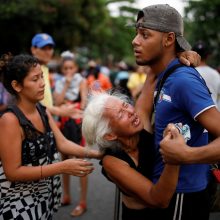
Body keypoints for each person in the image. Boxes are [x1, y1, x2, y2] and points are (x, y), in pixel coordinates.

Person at [82, 51, 201, 220]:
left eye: (125, 105)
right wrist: (174, 157)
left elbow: (153, 71)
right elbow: (158, 199)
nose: (130, 112)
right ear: (109, 135)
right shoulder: (112, 163)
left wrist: (180, 55)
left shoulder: (139, 122)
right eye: (120, 114)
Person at [132, 4, 215, 220]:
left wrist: (188, 155)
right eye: (136, 33)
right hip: (168, 192)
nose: (135, 41)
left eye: (144, 34)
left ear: (169, 39)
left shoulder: (182, 80)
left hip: (183, 197)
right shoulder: (165, 76)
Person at [0, 53, 101, 220]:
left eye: (42, 77)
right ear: (17, 86)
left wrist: (98, 154)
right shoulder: (10, 120)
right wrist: (61, 167)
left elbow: (62, 143)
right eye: (35, 79)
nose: (42, 83)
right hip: (18, 205)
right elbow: (13, 172)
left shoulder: (41, 110)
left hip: (45, 197)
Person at [53, 54, 89, 216]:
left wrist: (69, 106)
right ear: (62, 69)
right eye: (65, 68)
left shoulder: (81, 80)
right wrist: (66, 85)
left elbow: (83, 103)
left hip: (76, 123)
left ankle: (82, 202)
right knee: (65, 160)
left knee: (80, 161)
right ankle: (66, 195)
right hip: (63, 122)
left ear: (76, 68)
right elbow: (56, 102)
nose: (68, 71)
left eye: (71, 68)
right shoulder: (59, 82)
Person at [31, 33, 82, 119]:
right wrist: (59, 111)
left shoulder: (45, 69)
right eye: (43, 48)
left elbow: (47, 103)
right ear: (33, 49)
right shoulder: (30, 70)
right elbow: (30, 103)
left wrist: (62, 107)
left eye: (50, 48)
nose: (48, 52)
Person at [192, 40, 220, 110]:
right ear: (208, 56)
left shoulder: (190, 73)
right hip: (213, 113)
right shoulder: (215, 74)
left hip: (194, 114)